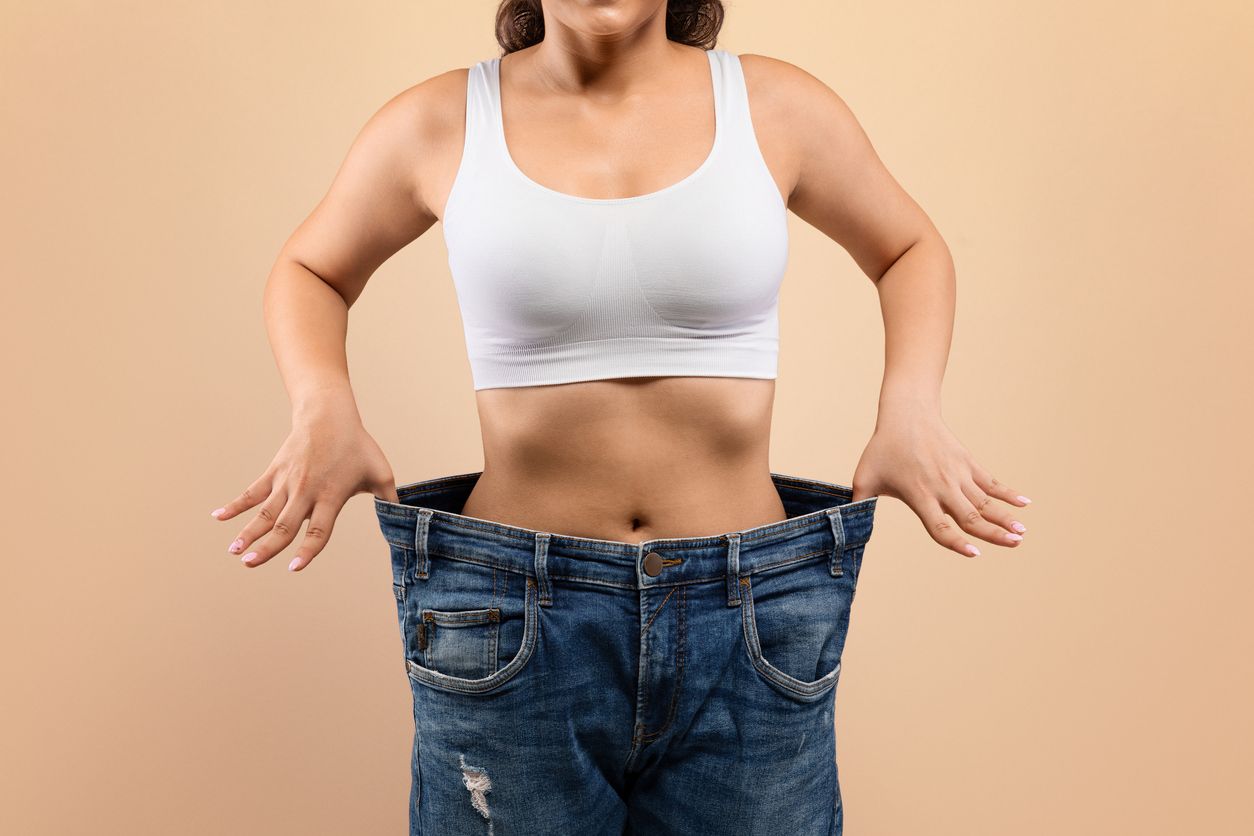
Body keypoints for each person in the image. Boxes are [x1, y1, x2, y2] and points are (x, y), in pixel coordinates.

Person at [210, 1, 1031, 833]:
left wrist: (911, 408)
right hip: (510, 619)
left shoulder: (778, 107)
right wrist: (323, 405)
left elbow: (908, 249)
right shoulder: (439, 121)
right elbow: (312, 268)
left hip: (748, 620)